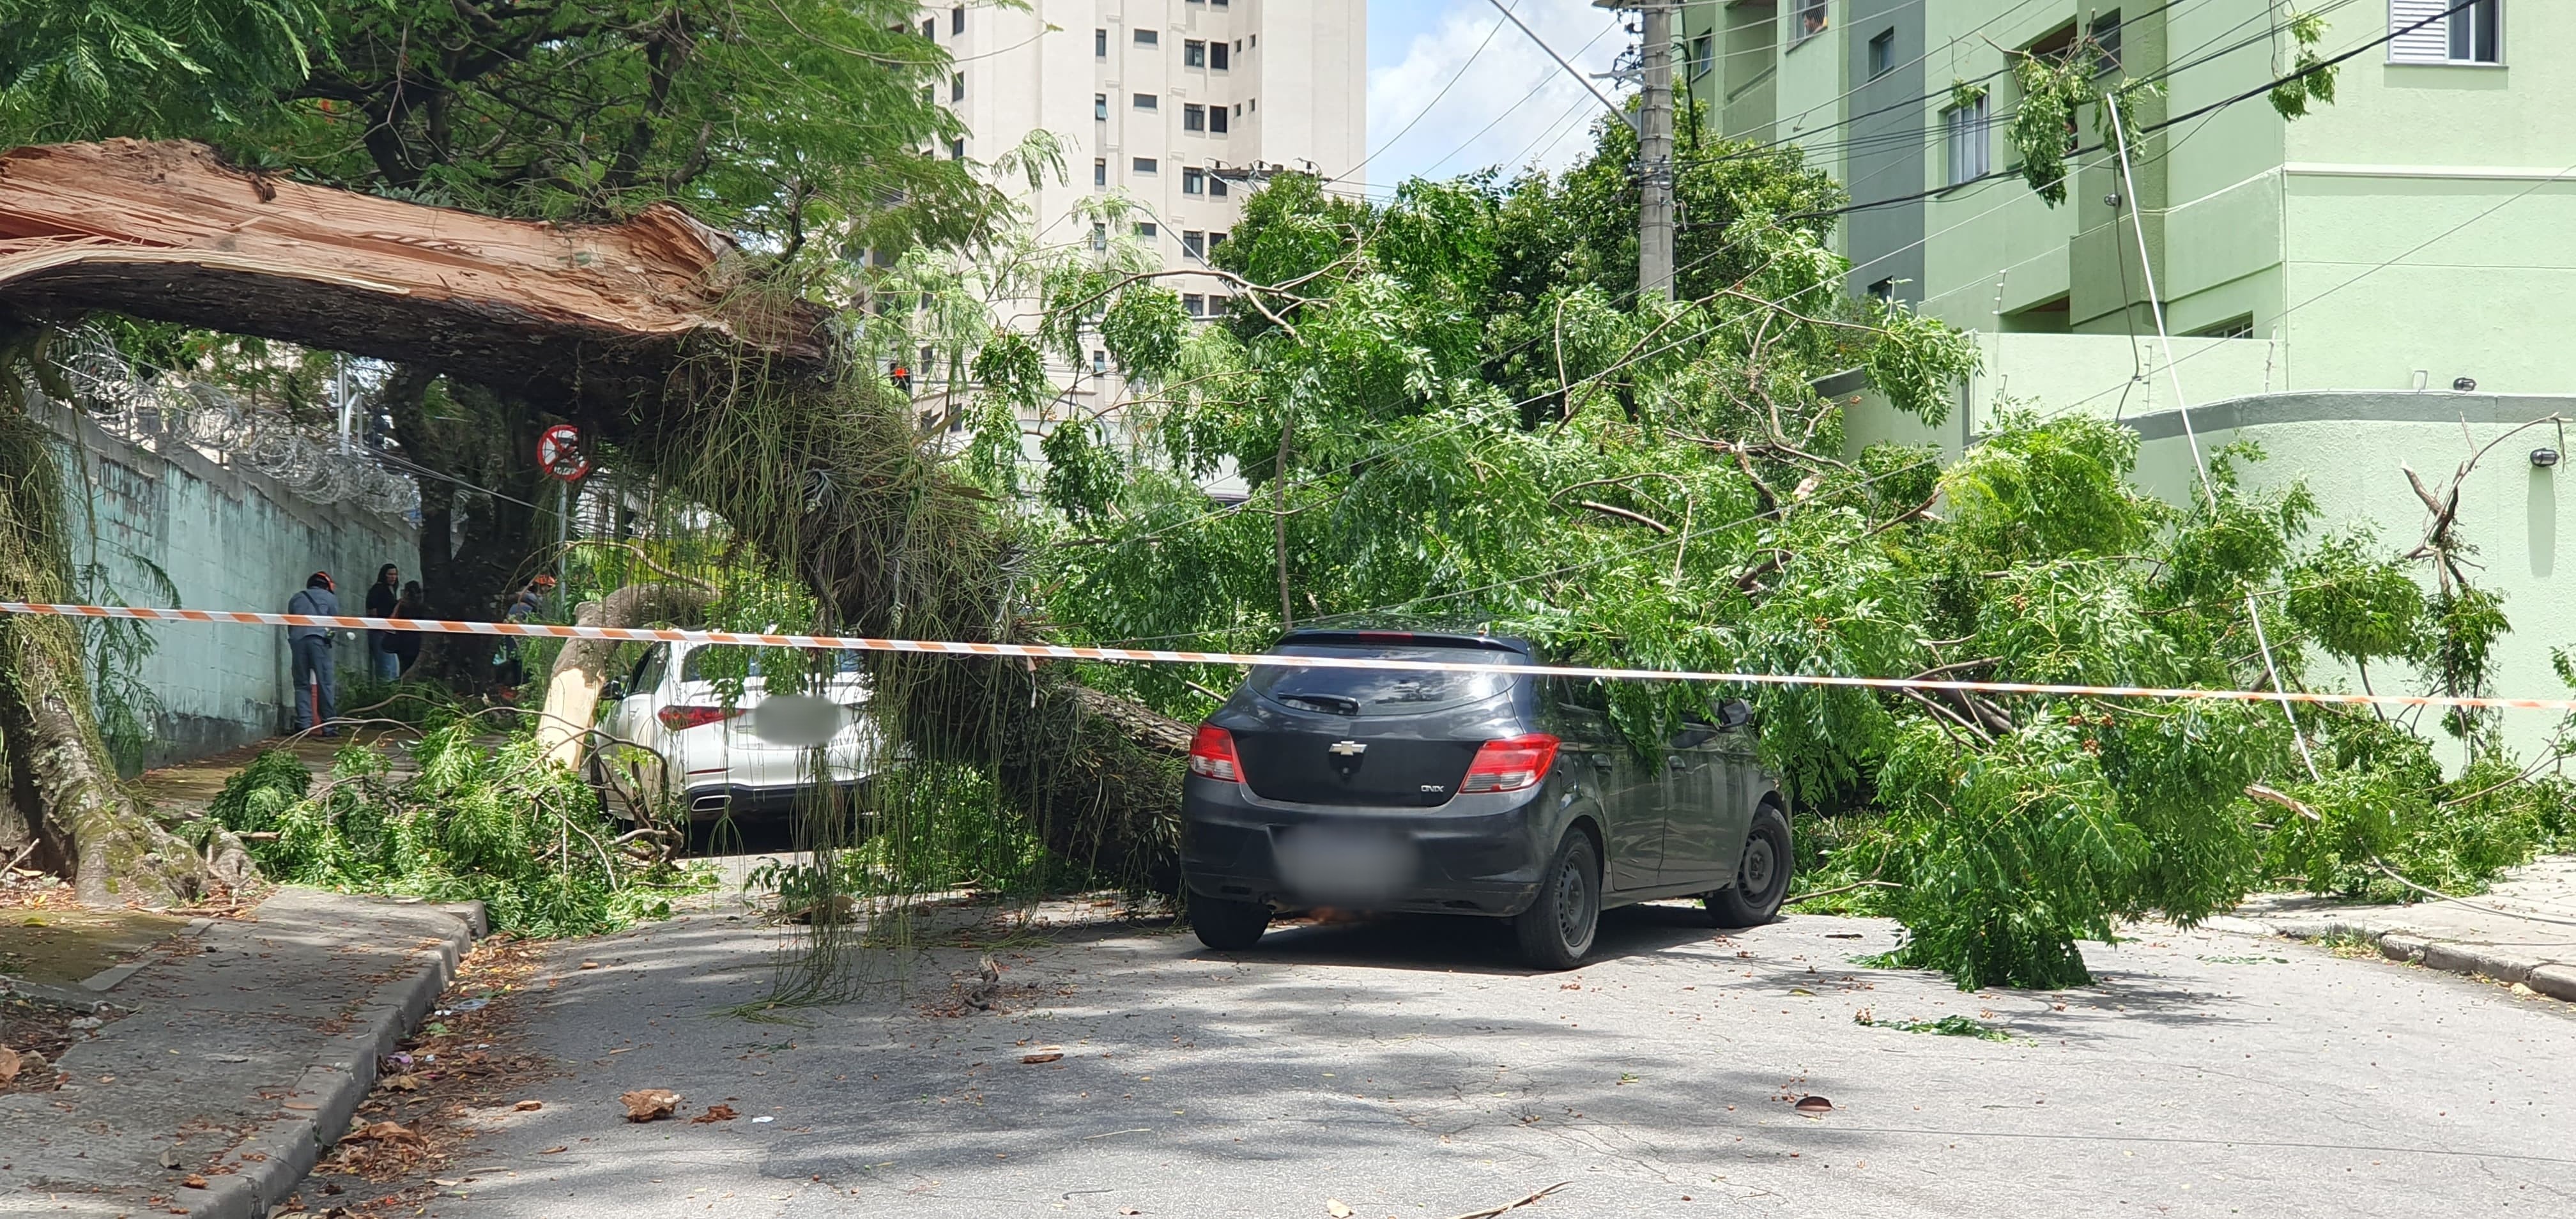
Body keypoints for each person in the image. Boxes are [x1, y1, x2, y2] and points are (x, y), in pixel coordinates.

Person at [286, 571, 339, 735]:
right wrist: (328, 639)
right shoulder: (331, 598)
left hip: (298, 641)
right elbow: (335, 624)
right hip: (319, 641)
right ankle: (329, 726)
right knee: (325, 683)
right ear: (327, 586)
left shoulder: (296, 598)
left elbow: (290, 623)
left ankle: (304, 724)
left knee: (301, 683)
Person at [494, 574, 556, 696]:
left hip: (529, 646)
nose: (548, 590)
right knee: (520, 666)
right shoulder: (524, 604)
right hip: (521, 645)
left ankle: (522, 691)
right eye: (546, 587)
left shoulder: (533, 603)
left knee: (522, 667)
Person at [365, 564, 401, 680]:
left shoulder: (390, 590)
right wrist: (379, 625)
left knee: (393, 669)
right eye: (390, 574)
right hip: (380, 631)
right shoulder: (378, 589)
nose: (393, 577)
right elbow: (371, 609)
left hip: (389, 632)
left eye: (395, 574)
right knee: (385, 668)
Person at [390, 579, 426, 676]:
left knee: (404, 668)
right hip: (418, 641)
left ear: (406, 592)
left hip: (403, 642)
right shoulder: (423, 606)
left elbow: (392, 619)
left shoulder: (402, 606)